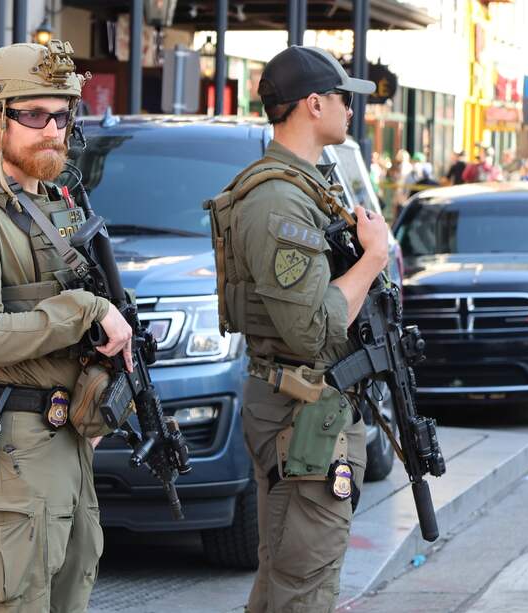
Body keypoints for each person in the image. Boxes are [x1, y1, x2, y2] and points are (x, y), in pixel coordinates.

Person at [0, 41, 133, 611]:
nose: (53, 130)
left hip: (66, 438)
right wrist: (86, 310)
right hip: (11, 441)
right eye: (33, 114)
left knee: (70, 588)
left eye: (62, 115)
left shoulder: (55, 203)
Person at [208, 45, 389, 612]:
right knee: (303, 585)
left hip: (306, 403)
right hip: (300, 410)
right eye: (341, 98)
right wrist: (373, 260)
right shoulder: (279, 200)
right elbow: (313, 330)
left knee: (286, 576)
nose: (349, 109)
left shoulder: (307, 185)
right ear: (313, 104)